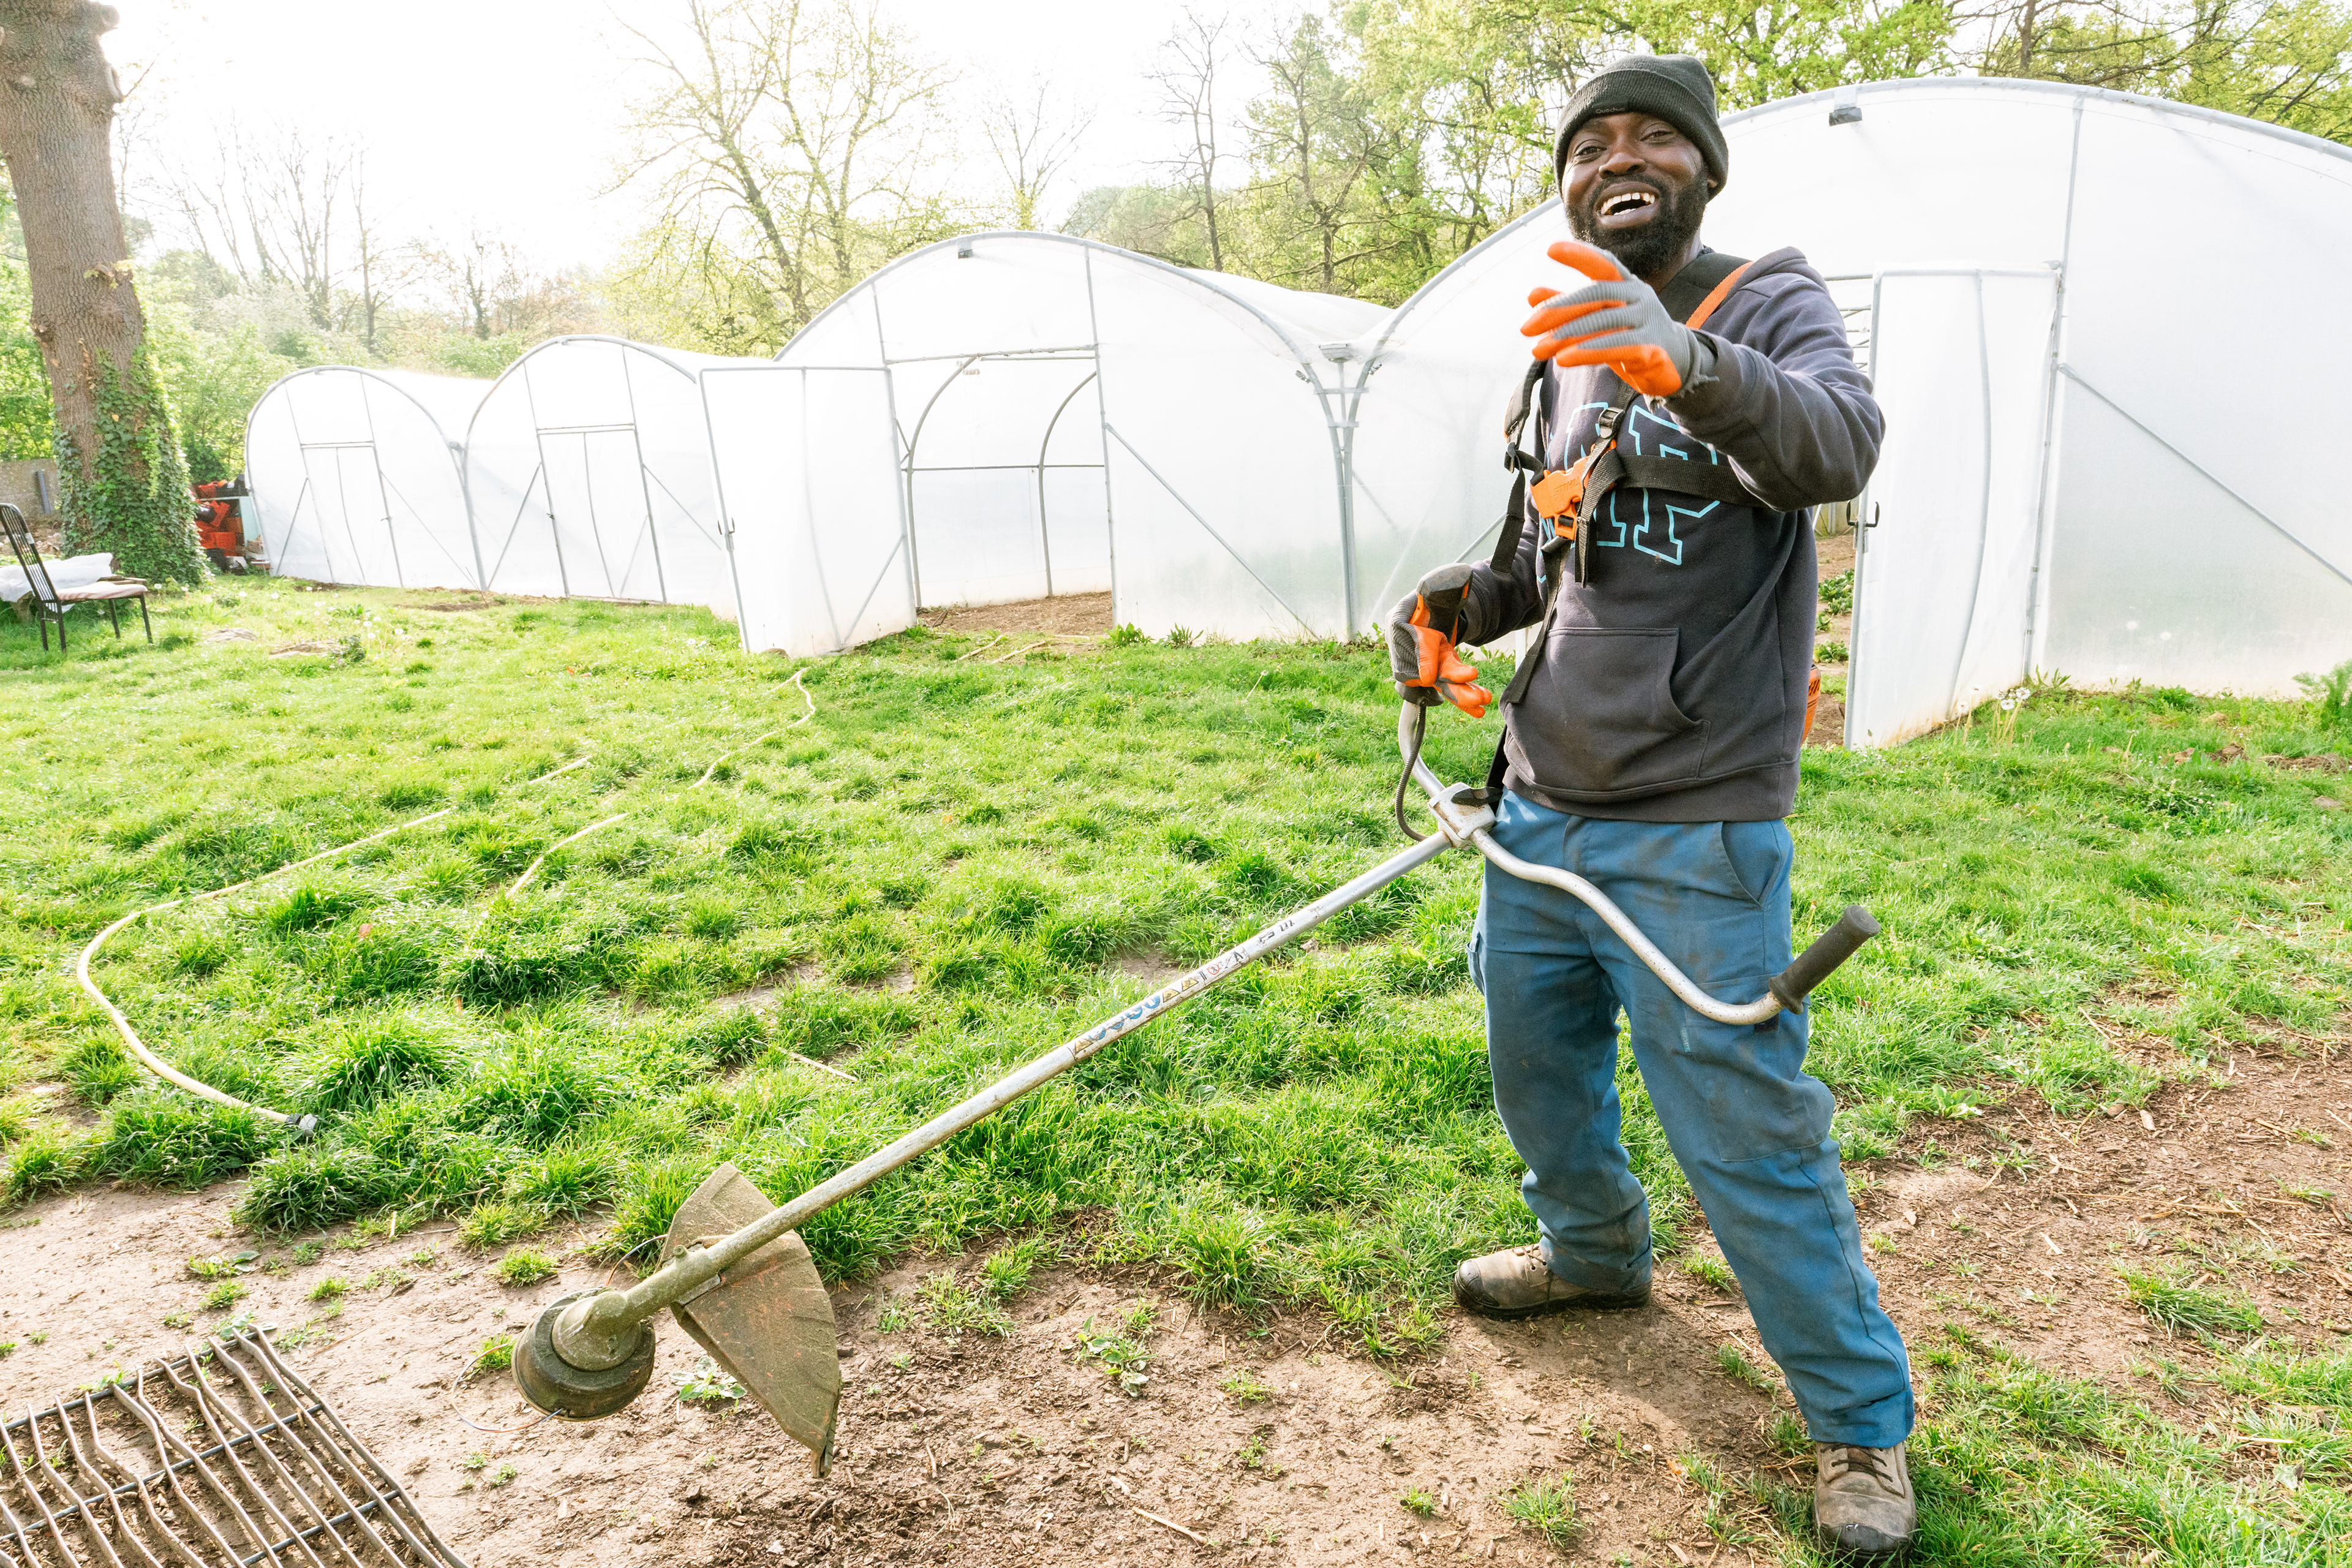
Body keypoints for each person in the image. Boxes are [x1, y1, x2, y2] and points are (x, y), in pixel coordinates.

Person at [1384, 53, 1915, 1561]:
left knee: (1746, 1129)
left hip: (1696, 821)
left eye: (1654, 141)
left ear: (1704, 170)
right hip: (1540, 806)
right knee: (1537, 1065)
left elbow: (1838, 443)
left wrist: (1685, 360)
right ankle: (1594, 1253)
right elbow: (1536, 560)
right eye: (1589, 144)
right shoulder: (1559, 342)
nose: (1619, 160)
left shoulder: (1766, 302)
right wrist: (1450, 602)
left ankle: (1859, 1421)